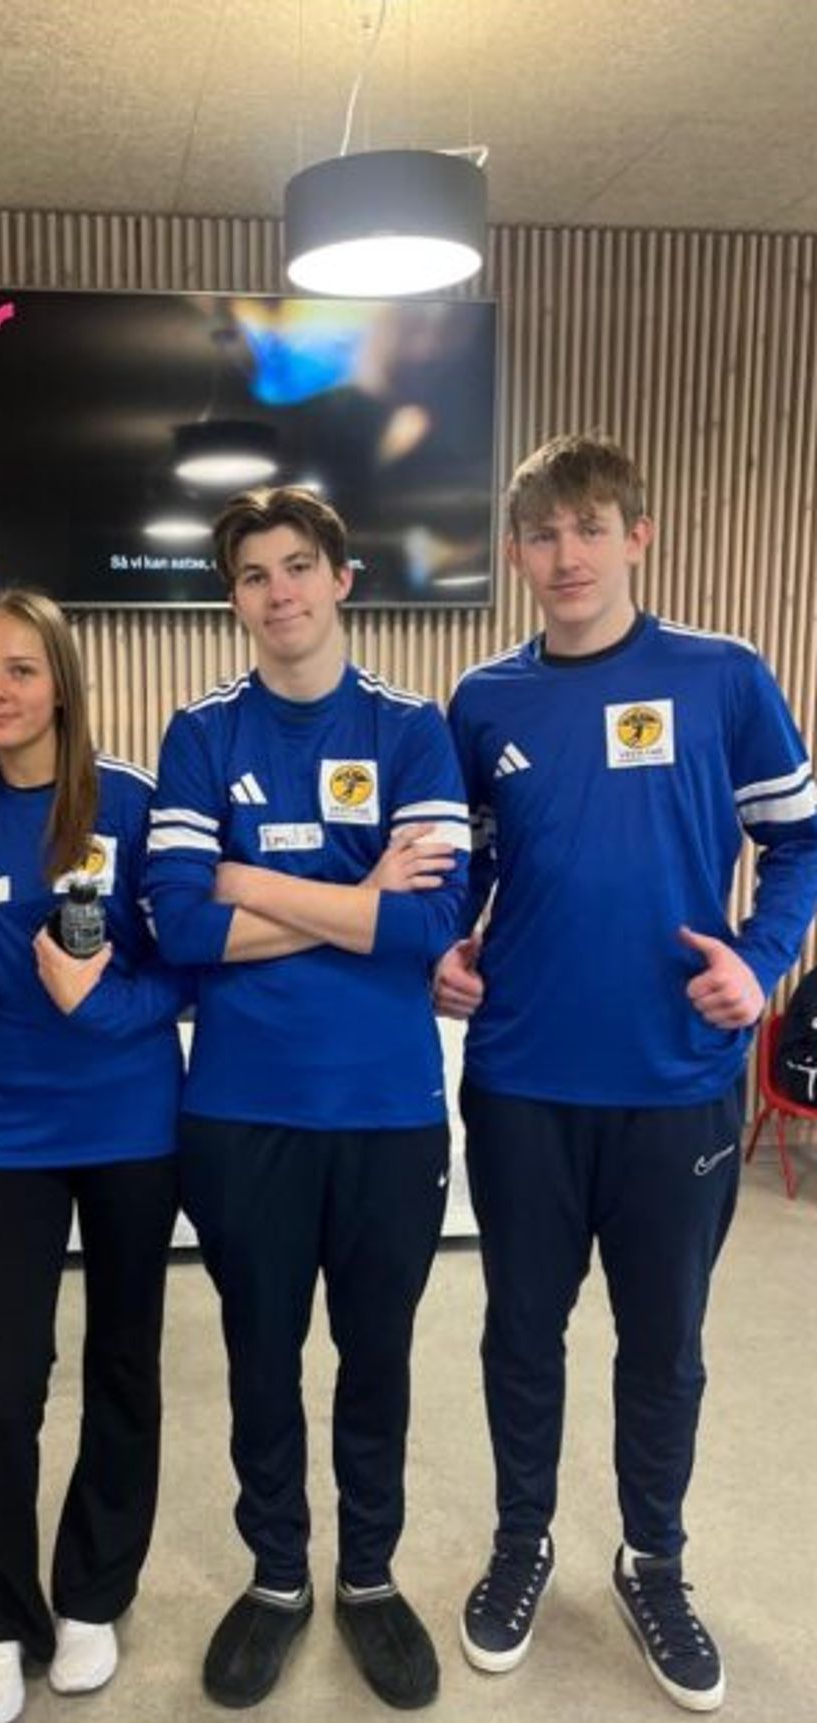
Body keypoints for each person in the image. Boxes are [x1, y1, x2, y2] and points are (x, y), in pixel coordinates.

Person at [438, 434, 817, 1713]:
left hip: (677, 1083)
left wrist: (758, 960)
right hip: (522, 1083)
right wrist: (447, 947)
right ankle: (519, 1542)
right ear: (513, 553)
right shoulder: (483, 701)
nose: (566, 556)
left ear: (636, 537)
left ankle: (652, 1560)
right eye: (541, 534)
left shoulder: (723, 676)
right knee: (519, 1332)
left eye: (589, 529)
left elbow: (797, 841)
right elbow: (468, 868)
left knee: (662, 1344)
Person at [145, 486, 471, 1711]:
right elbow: (178, 929)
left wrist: (247, 879)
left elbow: (428, 925)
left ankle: (368, 1575)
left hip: (384, 1112)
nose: (276, 591)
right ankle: (277, 1575)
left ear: (340, 578)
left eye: (296, 566)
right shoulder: (200, 733)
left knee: (374, 1358)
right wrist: (354, 898)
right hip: (242, 1113)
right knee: (259, 1358)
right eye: (251, 574)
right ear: (231, 597)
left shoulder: (409, 727)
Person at [0, 589, 187, 1723]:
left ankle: (93, 1594)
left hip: (134, 1123)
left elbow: (189, 961)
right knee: (3, 1386)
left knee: (123, 1364)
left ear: (61, 682)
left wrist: (107, 1007)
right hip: (8, 1130)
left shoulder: (131, 801)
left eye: (21, 668)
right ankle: (1, 1615)